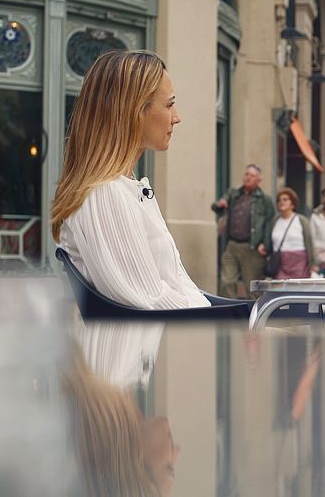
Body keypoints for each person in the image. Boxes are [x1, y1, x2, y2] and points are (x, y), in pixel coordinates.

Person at [51, 50, 210, 310]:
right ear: (133, 110)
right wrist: (238, 327)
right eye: (169, 104)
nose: (177, 117)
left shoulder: (123, 190)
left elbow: (170, 291)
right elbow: (152, 303)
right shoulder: (105, 195)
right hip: (161, 347)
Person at [61, 337, 180, 496]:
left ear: (134, 465)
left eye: (169, 468)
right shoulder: (123, 373)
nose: (177, 452)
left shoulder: (111, 367)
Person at [212, 164, 275, 299]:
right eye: (246, 174)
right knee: (226, 281)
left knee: (252, 287)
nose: (248, 178)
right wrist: (220, 204)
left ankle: (257, 315)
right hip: (232, 245)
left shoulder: (265, 200)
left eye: (252, 176)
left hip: (252, 248)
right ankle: (229, 313)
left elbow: (270, 223)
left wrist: (265, 244)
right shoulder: (234, 193)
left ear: (259, 180)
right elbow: (216, 207)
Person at [269, 187, 315, 279]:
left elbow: (309, 243)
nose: (281, 202)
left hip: (299, 262)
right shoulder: (275, 221)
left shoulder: (301, 220)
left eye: (285, 199)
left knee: (298, 290)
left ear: (292, 204)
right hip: (280, 262)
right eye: (279, 200)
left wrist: (313, 264)